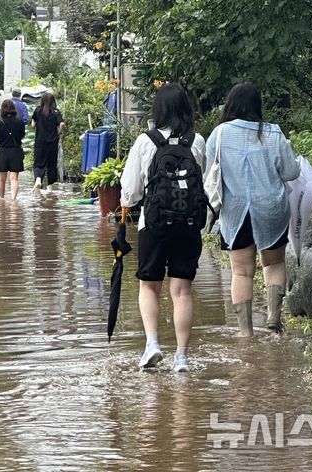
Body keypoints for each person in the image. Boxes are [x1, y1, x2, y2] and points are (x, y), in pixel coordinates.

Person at [119, 83, 206, 373]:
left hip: (153, 225)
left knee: (149, 286)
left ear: (158, 110)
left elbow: (130, 191)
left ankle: (153, 344)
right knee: (182, 290)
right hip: (189, 225)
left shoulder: (146, 142)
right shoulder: (197, 141)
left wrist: (126, 206)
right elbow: (205, 182)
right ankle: (182, 357)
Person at [205, 83, 300, 336]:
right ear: (257, 106)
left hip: (235, 211)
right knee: (274, 263)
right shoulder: (273, 133)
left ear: (230, 105)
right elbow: (291, 172)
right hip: (271, 209)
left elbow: (210, 175)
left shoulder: (219, 135)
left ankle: (246, 333)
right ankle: (274, 319)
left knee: (241, 272)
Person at [30, 92, 65, 196]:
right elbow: (62, 124)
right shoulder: (56, 112)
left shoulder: (38, 110)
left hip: (40, 142)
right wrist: (59, 132)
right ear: (53, 101)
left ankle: (38, 179)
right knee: (52, 165)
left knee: (38, 163)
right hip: (52, 143)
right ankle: (49, 188)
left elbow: (33, 124)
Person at [0, 99, 26, 200]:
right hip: (16, 151)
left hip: (3, 151)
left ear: (2, 109)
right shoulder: (20, 122)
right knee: (14, 178)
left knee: (1, 178)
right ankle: (13, 199)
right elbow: (22, 135)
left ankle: (1, 198)